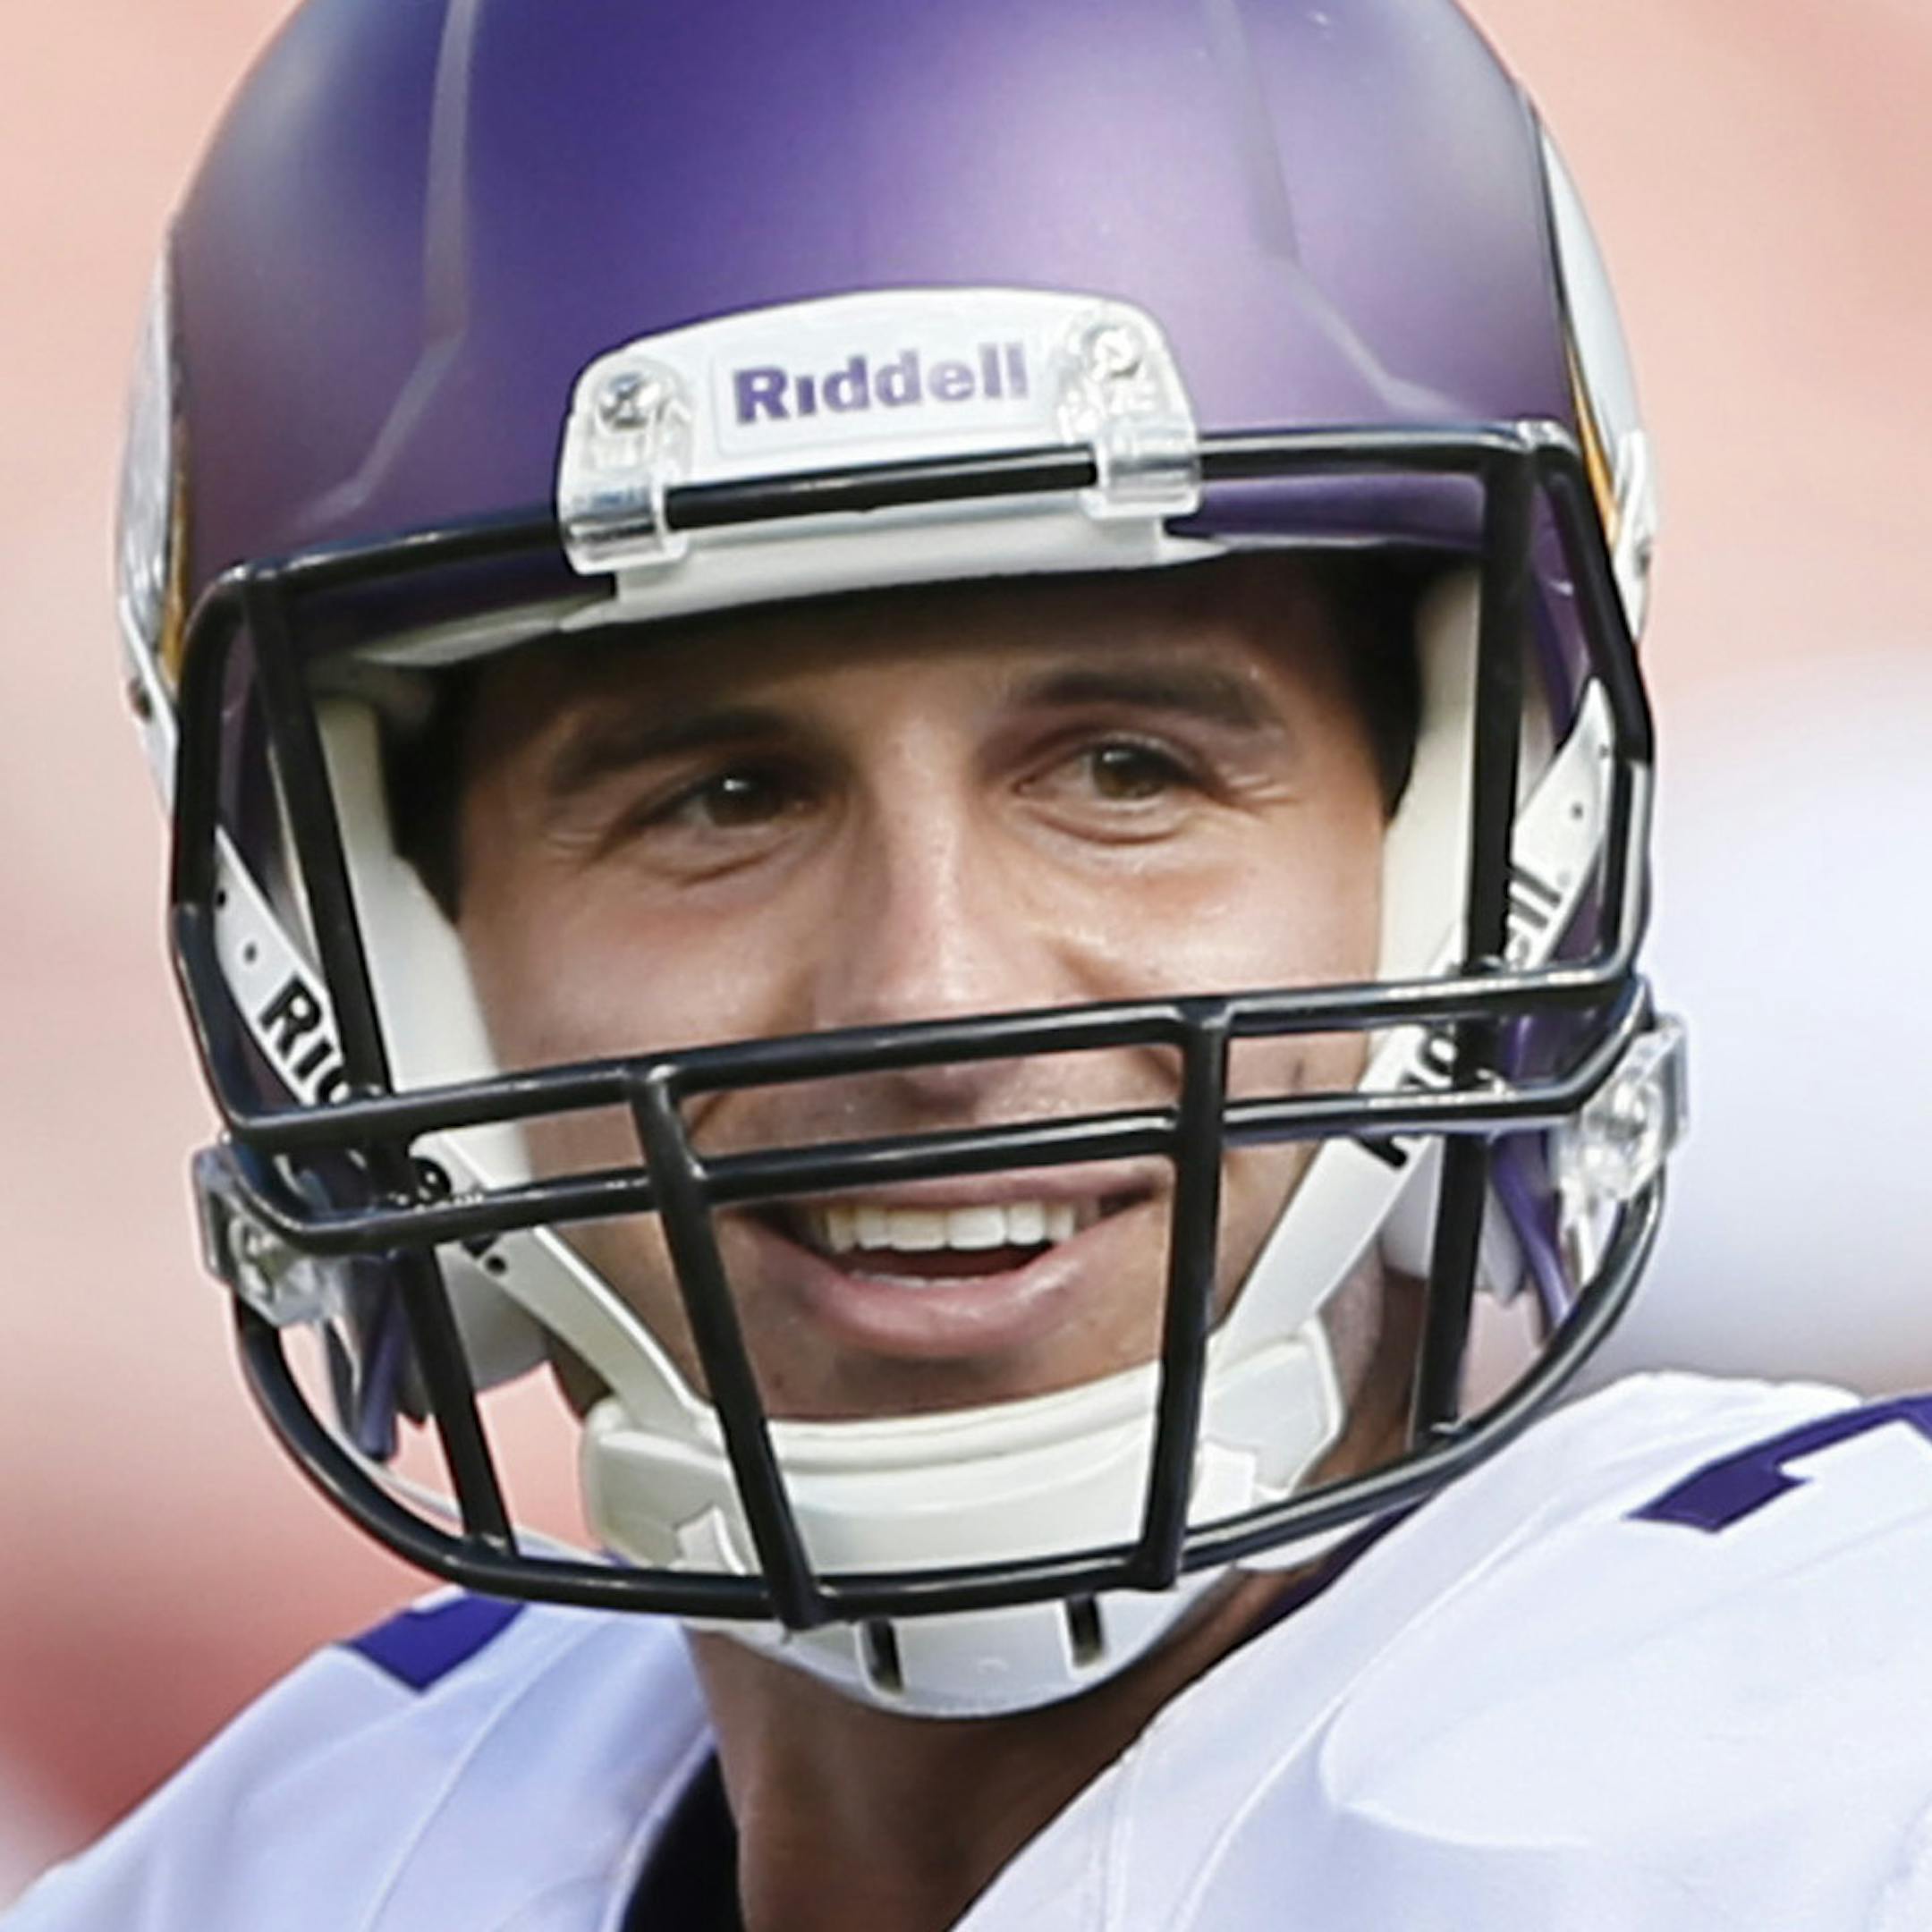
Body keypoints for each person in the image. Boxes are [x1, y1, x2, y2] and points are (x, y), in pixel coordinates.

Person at [13, 2, 1932, 1928]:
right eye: (721, 798)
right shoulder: (280, 1877)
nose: (934, 997)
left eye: (1128, 772)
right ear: (378, 954)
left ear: (1474, 856)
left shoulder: (1838, 1773)